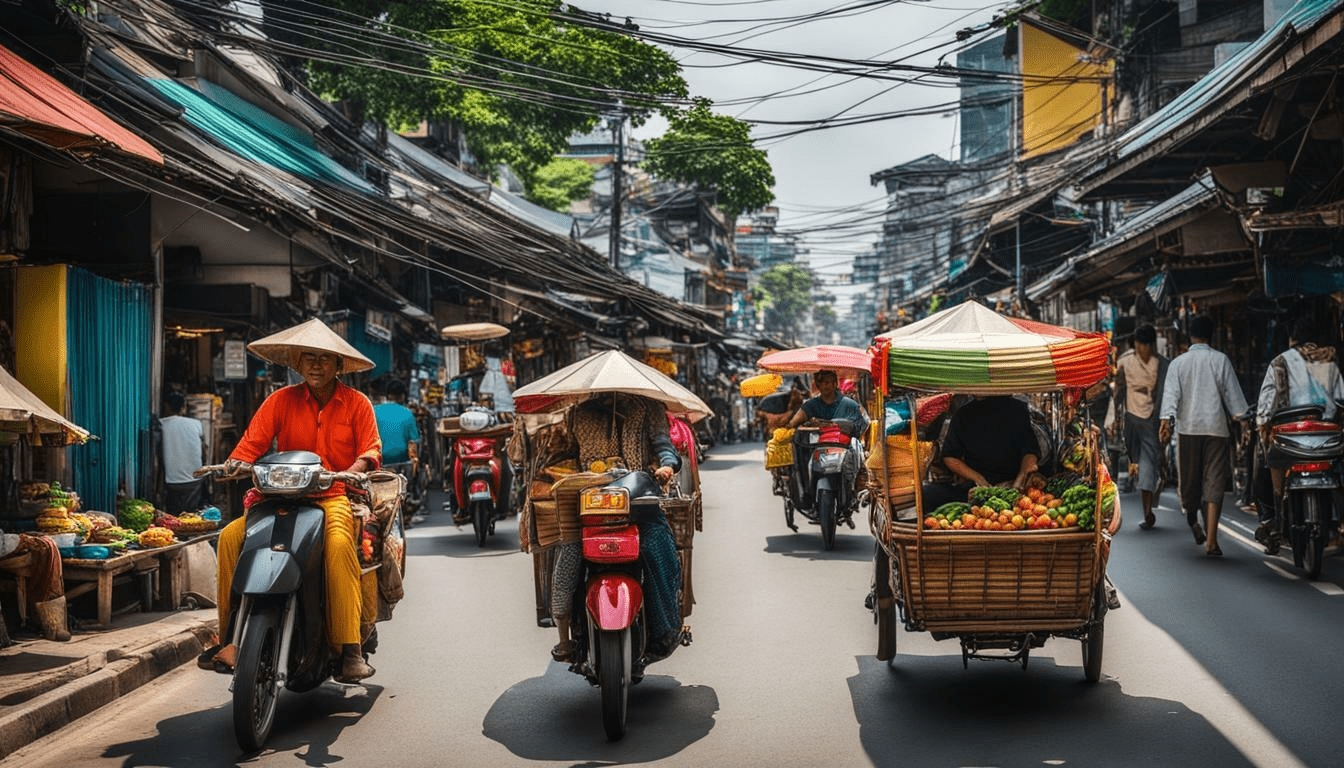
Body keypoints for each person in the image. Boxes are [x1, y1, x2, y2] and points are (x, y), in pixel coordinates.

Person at [203, 320, 382, 682]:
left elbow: (370, 450)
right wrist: (235, 464)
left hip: (331, 497)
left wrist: (354, 469)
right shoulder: (279, 401)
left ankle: (350, 649)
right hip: (278, 496)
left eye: (324, 358)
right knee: (229, 539)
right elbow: (251, 445)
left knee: (339, 546)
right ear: (298, 364)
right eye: (308, 358)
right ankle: (230, 638)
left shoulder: (357, 404)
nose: (316, 365)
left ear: (338, 365)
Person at [550, 392, 682, 664]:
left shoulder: (649, 409)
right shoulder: (579, 412)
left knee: (658, 549)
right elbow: (565, 452)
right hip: (587, 500)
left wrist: (667, 466)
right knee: (568, 558)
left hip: (637, 497)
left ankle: (664, 630)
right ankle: (566, 636)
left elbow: (664, 445)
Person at [1159, 315, 1249, 557]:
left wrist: (1165, 421)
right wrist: (1244, 421)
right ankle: (1211, 540)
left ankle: (1198, 526)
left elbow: (1170, 396)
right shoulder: (1221, 360)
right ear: (1211, 336)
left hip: (1188, 430)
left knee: (1189, 485)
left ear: (1190, 336)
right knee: (1214, 482)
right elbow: (1234, 397)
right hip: (1216, 429)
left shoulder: (1178, 363)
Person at [1254, 316, 1344, 548]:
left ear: (1292, 340)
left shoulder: (1280, 362)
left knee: (1264, 469)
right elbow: (1341, 400)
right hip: (1327, 440)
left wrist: (1262, 427)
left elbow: (1265, 407)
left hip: (1289, 440)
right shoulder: (1330, 361)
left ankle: (1272, 516)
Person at [921, 394, 1041, 513]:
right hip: (976, 490)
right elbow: (950, 456)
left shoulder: (1018, 409)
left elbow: (1030, 451)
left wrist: (1019, 480)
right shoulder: (963, 414)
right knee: (927, 494)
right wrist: (978, 479)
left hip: (1013, 486)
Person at [1114, 324, 1169, 529]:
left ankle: (1148, 512)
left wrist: (1165, 421)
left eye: (1147, 345)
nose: (1144, 349)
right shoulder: (1125, 363)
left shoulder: (1163, 365)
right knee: (1140, 461)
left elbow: (1166, 394)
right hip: (1131, 421)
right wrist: (1113, 419)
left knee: (1149, 464)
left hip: (1152, 422)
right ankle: (1146, 499)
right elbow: (1117, 392)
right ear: (1136, 345)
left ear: (1152, 345)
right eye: (1140, 345)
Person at [161, 392, 208, 516]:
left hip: (172, 481)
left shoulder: (161, 425)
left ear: (166, 407)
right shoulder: (196, 424)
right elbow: (204, 452)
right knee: (192, 516)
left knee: (174, 515)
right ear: (184, 408)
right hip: (195, 480)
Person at [374, 379, 420, 475]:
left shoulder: (373, 410)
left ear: (387, 395)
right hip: (401, 462)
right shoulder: (407, 413)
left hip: (378, 460)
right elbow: (413, 442)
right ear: (403, 396)